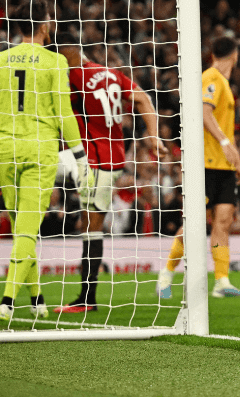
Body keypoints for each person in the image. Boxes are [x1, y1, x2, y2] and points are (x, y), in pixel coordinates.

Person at [0, 0, 91, 321]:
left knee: (21, 228)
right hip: (40, 151)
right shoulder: (56, 62)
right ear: (45, 25)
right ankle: (7, 301)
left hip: (4, 150)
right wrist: (80, 155)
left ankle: (37, 297)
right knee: (28, 230)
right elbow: (64, 112)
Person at [53, 32, 167, 313]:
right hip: (110, 157)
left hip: (94, 160)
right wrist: (153, 135)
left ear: (64, 54)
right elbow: (142, 98)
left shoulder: (71, 78)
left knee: (91, 227)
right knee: (89, 225)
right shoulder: (112, 73)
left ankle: (86, 299)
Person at [156, 36, 240, 299]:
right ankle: (166, 274)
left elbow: (225, 129)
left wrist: (237, 162)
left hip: (223, 166)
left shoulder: (223, 83)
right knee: (193, 223)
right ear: (235, 56)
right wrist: (223, 143)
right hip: (205, 164)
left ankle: (221, 281)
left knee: (223, 222)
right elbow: (204, 111)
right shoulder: (211, 78)